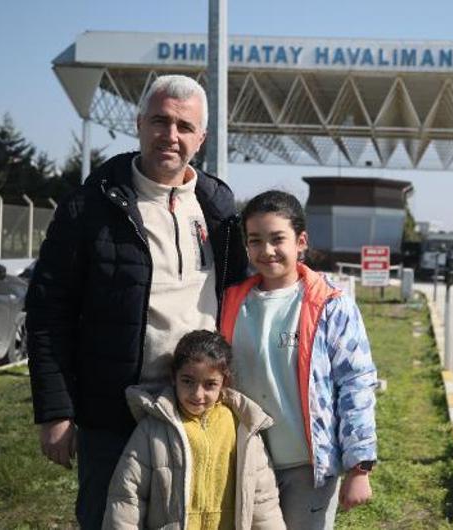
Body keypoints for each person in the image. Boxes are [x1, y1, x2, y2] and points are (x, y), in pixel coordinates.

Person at [26, 75, 248, 529]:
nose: (171, 136)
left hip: (193, 408)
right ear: (139, 124)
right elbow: (49, 312)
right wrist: (55, 410)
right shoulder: (89, 207)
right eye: (160, 121)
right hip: (112, 414)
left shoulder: (219, 210)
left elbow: (250, 289)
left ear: (201, 138)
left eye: (185, 127)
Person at [219, 190, 377, 529]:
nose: (266, 251)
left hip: (308, 469)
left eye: (278, 239)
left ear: (300, 241)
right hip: (246, 463)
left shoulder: (332, 305)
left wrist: (359, 467)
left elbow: (356, 384)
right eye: (255, 241)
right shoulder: (230, 302)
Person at [103, 330, 286, 530]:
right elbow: (128, 497)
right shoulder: (152, 429)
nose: (197, 394)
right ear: (174, 377)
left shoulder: (244, 429)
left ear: (224, 382)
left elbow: (263, 501)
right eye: (188, 381)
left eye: (209, 384)